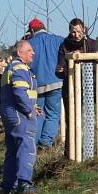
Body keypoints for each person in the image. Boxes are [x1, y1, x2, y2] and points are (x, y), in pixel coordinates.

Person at [56, 18, 98, 157]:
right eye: (73, 32)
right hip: (72, 87)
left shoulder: (91, 43)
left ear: (84, 29)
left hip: (94, 82)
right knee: (72, 119)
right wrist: (60, 69)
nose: (76, 35)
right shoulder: (64, 46)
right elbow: (60, 66)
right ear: (69, 31)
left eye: (79, 31)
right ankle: (70, 155)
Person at [0, 40, 41, 194]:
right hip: (19, 115)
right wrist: (30, 111)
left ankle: (7, 189)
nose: (33, 53)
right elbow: (19, 91)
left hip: (10, 115)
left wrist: (33, 106)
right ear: (20, 52)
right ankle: (24, 184)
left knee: (12, 152)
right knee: (27, 147)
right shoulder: (20, 68)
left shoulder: (11, 68)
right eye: (29, 50)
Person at [27, 18, 65, 149]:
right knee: (53, 114)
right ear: (44, 27)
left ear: (32, 30)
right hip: (56, 82)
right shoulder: (58, 40)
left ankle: (34, 143)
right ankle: (46, 142)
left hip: (36, 85)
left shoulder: (29, 44)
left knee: (38, 113)